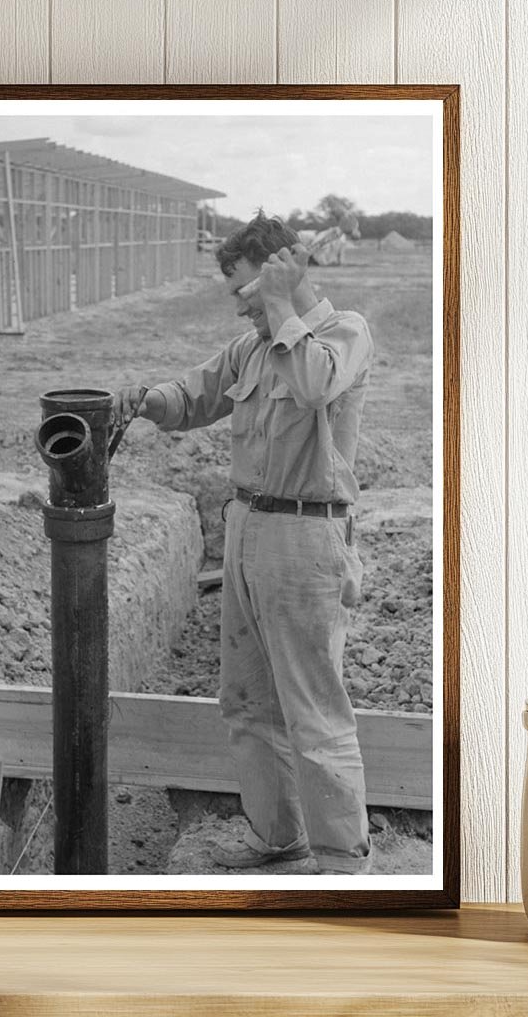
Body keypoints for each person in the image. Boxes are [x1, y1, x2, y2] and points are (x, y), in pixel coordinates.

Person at [113, 211, 375, 874]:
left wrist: (284, 304)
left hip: (306, 539)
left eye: (245, 290)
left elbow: (315, 386)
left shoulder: (344, 334)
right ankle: (276, 836)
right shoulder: (251, 349)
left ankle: (343, 860)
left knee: (312, 707)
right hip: (247, 529)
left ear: (281, 272)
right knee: (248, 703)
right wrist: (144, 397)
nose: (238, 307)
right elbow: (193, 398)